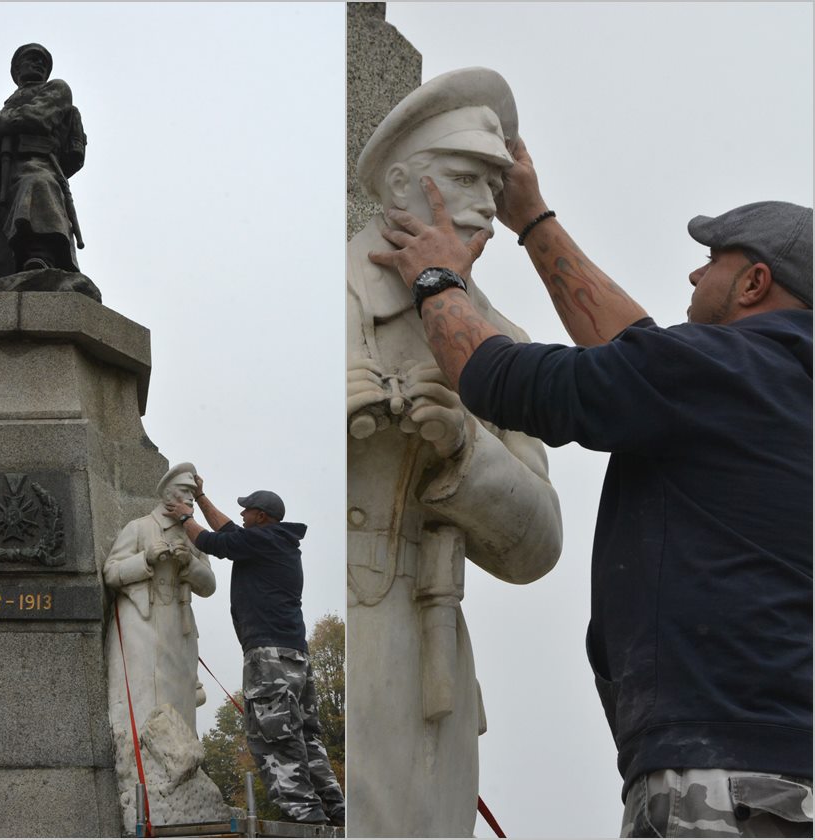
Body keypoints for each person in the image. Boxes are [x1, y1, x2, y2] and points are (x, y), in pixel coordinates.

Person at [368, 133, 813, 836]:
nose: (695, 277)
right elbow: (637, 349)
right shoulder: (771, 383)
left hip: (724, 777)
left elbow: (506, 382)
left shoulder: (715, 372)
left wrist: (435, 281)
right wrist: (534, 218)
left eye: (712, 263)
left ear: (754, 283)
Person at [346, 66, 562, 835]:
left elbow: (537, 546)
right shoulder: (328, 295)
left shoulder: (500, 340)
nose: (486, 208)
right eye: (464, 178)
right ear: (400, 182)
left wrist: (466, 449)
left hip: (428, 660)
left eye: (495, 185)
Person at [167, 478, 344, 826]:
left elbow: (213, 542)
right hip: (294, 656)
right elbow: (230, 531)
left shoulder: (263, 539)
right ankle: (334, 807)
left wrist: (184, 516)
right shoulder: (275, 541)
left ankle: (303, 813)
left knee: (273, 732)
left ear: (262, 516)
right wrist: (201, 498)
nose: (242, 513)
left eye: (247, 509)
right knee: (305, 736)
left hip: (270, 656)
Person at [104, 463, 217, 826]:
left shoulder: (191, 535)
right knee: (142, 703)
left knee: (180, 705)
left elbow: (209, 584)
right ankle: (143, 783)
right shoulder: (138, 529)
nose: (190, 503)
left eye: (192, 496)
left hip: (180, 633)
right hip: (141, 627)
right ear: (169, 498)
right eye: (185, 496)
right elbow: (112, 573)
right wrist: (146, 559)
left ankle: (178, 781)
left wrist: (188, 566)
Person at [0, 43, 86, 280]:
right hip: (3, 184)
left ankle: (40, 256)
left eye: (43, 61)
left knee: (37, 183)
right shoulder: (4, 114)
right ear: (17, 69)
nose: (38, 63)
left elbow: (36, 118)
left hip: (40, 165)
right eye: (32, 59)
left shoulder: (57, 90)